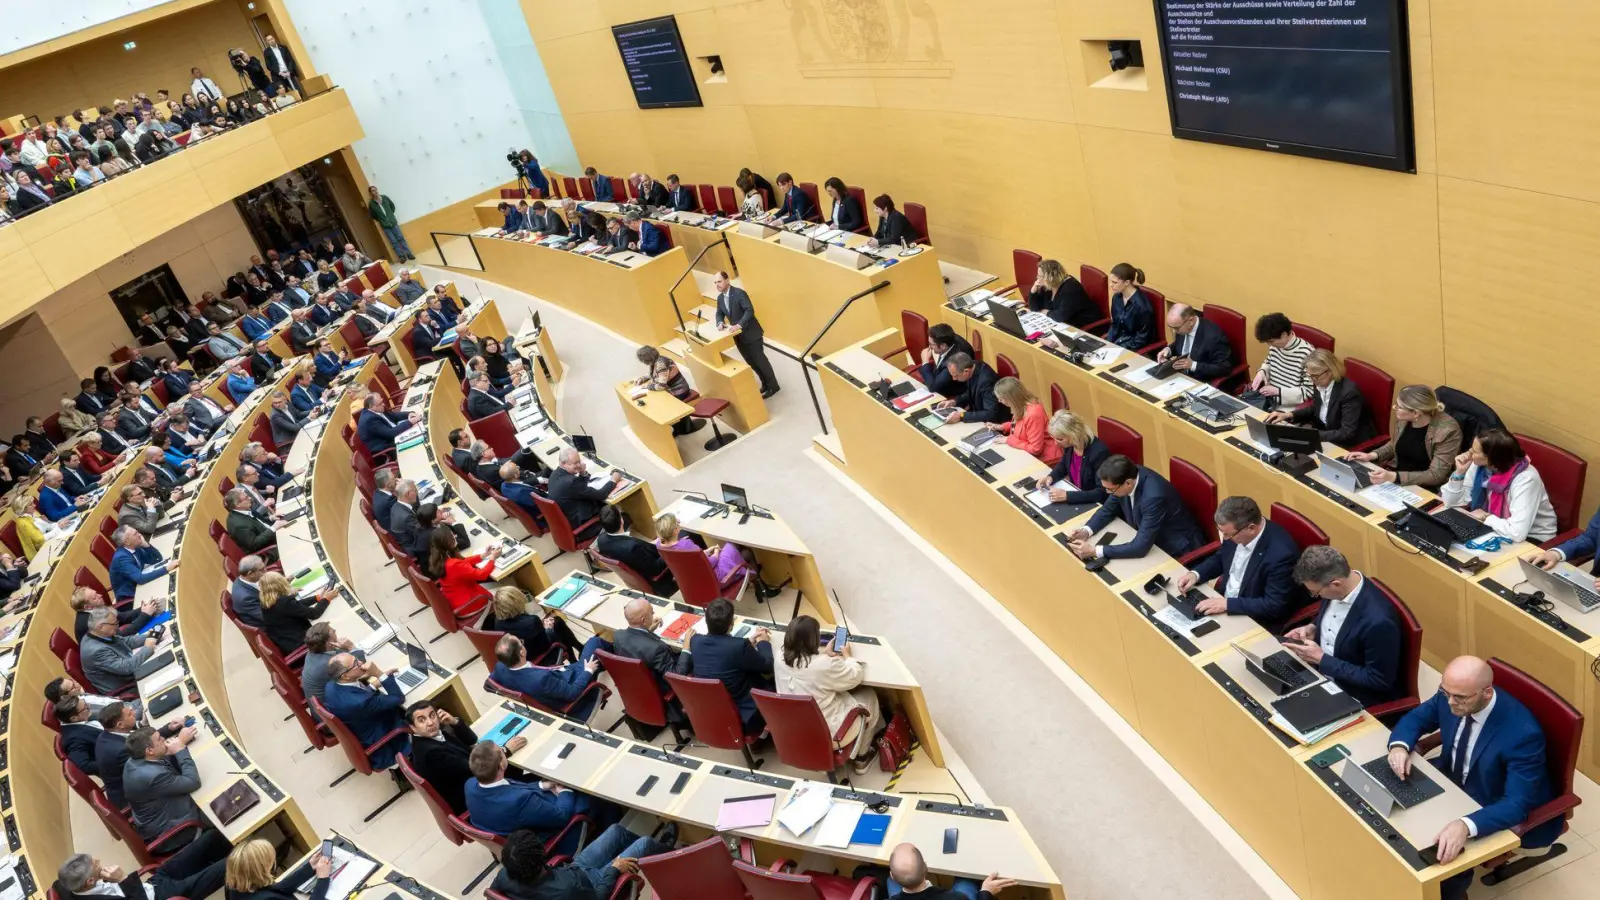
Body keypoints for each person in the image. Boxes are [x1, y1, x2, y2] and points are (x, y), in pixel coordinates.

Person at [1386, 656, 1558, 900]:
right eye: (1446, 693)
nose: (1450, 703)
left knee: (1442, 860)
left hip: (1489, 802)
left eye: (1459, 698)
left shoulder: (1523, 734)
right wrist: (1399, 746)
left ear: (1486, 693)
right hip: (1451, 780)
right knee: (1390, 814)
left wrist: (1465, 825)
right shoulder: (1452, 695)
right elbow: (1417, 719)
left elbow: (1517, 804)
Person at [1281, 545, 1404, 706]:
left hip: (1350, 695)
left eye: (1315, 592)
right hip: (1316, 675)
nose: (1315, 596)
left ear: (1336, 584)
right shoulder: (1338, 587)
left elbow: (1378, 680)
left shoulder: (1379, 622)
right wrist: (1313, 627)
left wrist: (1321, 659)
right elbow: (1337, 619)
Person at [1174, 497, 1311, 632]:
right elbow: (1222, 557)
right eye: (1221, 532)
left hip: (1252, 619)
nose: (1225, 538)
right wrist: (1196, 574)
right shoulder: (1234, 530)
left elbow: (1273, 605)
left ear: (1251, 528)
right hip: (1222, 601)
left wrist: (1228, 605)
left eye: (1228, 535)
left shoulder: (1281, 556)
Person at [773, 615, 883, 772]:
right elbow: (855, 676)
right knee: (870, 695)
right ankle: (862, 758)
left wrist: (825, 655)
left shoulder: (779, 656)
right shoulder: (823, 665)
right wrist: (847, 656)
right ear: (814, 639)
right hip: (829, 735)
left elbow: (809, 668)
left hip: (793, 731)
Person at [1065, 455, 1207, 561]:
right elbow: (1108, 509)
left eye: (1110, 490)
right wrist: (1086, 531)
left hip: (1177, 550)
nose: (1108, 493)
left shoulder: (1154, 497)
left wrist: (1094, 551)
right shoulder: (1125, 477)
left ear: (1128, 483)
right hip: (1149, 538)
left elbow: (1140, 548)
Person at [465, 741, 596, 851]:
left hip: (513, 827)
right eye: (502, 751)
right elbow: (561, 816)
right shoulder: (520, 800)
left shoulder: (470, 785)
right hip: (543, 838)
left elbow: (509, 787)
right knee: (592, 796)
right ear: (501, 765)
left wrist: (542, 785)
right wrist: (564, 791)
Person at [493, 823, 675, 900]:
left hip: (572, 870)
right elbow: (598, 896)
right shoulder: (566, 890)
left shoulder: (503, 876)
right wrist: (614, 869)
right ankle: (676, 855)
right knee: (644, 844)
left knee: (616, 831)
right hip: (595, 883)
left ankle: (657, 850)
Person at [1439, 429, 1559, 543]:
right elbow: (1451, 503)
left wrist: (1486, 517)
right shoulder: (1480, 466)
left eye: (1475, 451)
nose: (1470, 452)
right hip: (1495, 526)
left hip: (1532, 539)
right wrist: (1459, 474)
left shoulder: (1526, 479)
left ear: (1491, 458)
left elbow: (1517, 533)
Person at [406, 700, 517, 815]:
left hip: (471, 781)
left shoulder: (428, 737)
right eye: (421, 720)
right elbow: (477, 769)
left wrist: (454, 722)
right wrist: (505, 750)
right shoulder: (432, 753)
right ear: (413, 728)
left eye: (432, 715)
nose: (430, 722)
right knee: (526, 772)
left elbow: (471, 740)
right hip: (477, 795)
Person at [124, 723, 220, 853]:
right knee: (219, 804)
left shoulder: (133, 761)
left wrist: (167, 752)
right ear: (149, 751)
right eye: (159, 739)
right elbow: (193, 782)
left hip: (161, 816)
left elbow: (161, 766)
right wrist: (180, 749)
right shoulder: (153, 776)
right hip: (172, 832)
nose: (163, 739)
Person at [1345, 385, 1463, 488]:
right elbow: (1394, 444)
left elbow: (1435, 475)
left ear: (1416, 413)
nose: (1394, 408)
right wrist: (1371, 455)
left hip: (1424, 487)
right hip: (1395, 478)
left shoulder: (1448, 431)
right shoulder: (1404, 419)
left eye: (1399, 406)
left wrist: (1393, 477)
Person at [688, 598, 773, 733]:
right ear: (731, 624)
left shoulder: (695, 641)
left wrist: (747, 644)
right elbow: (768, 665)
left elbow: (722, 653)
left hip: (711, 710)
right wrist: (763, 642)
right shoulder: (739, 646)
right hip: (746, 713)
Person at [1263, 349, 1377, 449]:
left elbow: (1346, 433)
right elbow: (1316, 407)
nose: (1312, 380)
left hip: (1350, 445)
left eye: (1315, 376)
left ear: (1330, 371)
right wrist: (1288, 415)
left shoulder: (1349, 393)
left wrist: (1311, 435)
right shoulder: (1320, 381)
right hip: (1328, 435)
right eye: (1309, 375)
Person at [322, 653, 411, 777]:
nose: (361, 663)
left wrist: (375, 684)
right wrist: (379, 674)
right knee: (418, 707)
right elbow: (398, 698)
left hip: (366, 726)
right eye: (355, 664)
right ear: (345, 676)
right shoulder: (359, 703)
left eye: (357, 659)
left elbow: (358, 697)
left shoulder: (331, 686)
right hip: (386, 739)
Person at [493, 634, 607, 720]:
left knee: (593, 653)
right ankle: (619, 658)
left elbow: (489, 684)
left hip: (560, 675)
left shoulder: (500, 668)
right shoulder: (541, 679)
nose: (523, 643)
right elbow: (572, 693)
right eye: (521, 642)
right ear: (522, 652)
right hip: (573, 687)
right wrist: (588, 671)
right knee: (595, 642)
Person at [55, 844, 229, 900]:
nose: (100, 862)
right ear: (90, 882)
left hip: (149, 885)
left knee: (209, 840)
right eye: (96, 865)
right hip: (161, 896)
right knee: (231, 864)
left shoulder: (65, 883)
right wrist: (123, 879)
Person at [710, 270, 779, 397]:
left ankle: (773, 386)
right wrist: (719, 322)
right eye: (715, 283)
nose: (717, 285)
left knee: (760, 361)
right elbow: (719, 313)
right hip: (739, 337)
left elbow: (749, 310)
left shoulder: (739, 293)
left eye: (719, 281)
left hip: (751, 334)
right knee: (751, 362)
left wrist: (739, 325)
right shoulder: (720, 298)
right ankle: (765, 383)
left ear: (727, 280)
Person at [595, 506, 676, 595]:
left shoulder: (601, 540)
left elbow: (641, 555)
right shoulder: (633, 548)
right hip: (662, 579)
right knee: (687, 536)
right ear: (621, 520)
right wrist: (668, 545)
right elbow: (656, 569)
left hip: (642, 567)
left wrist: (658, 542)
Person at [886, 843, 1015, 900]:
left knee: (889, 883)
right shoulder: (956, 898)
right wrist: (986, 893)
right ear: (926, 867)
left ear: (892, 875)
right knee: (964, 881)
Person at [612, 595, 692, 686]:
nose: (654, 613)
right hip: (662, 686)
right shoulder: (656, 649)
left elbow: (637, 643)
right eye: (651, 613)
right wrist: (686, 646)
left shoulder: (618, 635)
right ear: (643, 620)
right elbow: (678, 675)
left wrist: (647, 630)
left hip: (637, 684)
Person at [547, 449, 621, 542]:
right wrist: (613, 480)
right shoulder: (571, 482)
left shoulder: (554, 474)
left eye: (579, 461)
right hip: (585, 526)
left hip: (571, 519)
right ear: (563, 463)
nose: (579, 465)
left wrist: (582, 473)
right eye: (575, 463)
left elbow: (578, 488)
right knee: (621, 514)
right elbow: (601, 495)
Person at [223, 839, 332, 900]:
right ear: (259, 871)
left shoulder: (235, 885)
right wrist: (322, 879)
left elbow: (275, 889)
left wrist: (309, 868)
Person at [984, 377, 1060, 464]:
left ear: (1011, 398)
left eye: (1001, 399)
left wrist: (1008, 440)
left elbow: (1035, 449)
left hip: (1044, 460)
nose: (999, 401)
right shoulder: (1020, 406)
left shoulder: (1033, 414)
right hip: (1024, 454)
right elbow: (1021, 425)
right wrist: (1001, 427)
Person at [431, 526, 502, 618]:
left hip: (457, 600)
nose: (455, 536)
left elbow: (463, 562)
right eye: (453, 535)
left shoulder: (440, 557)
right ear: (447, 542)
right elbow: (482, 575)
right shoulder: (453, 565)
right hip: (470, 604)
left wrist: (484, 555)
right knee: (507, 585)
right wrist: (493, 558)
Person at [1248, 313, 1314, 408]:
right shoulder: (1276, 346)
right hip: (1268, 401)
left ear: (1284, 335)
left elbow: (1309, 391)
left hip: (1289, 408)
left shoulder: (1306, 353)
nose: (1269, 345)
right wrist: (1262, 372)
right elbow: (1268, 362)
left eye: (1271, 341)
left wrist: (1278, 391)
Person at [257, 571, 331, 656]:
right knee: (329, 630)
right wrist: (326, 599)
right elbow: (314, 614)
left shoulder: (267, 601)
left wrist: (317, 598)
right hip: (301, 643)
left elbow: (295, 606)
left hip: (287, 641)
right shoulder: (284, 602)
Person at [1154, 304, 1235, 381]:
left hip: (1201, 380)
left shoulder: (1214, 337)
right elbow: (1183, 345)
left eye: (1176, 328)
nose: (1173, 331)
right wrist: (1168, 350)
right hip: (1180, 376)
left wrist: (1193, 365)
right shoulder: (1183, 326)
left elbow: (1225, 368)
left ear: (1191, 321)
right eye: (1171, 327)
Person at [109, 525, 177, 602]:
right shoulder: (121, 558)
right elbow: (141, 579)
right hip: (130, 597)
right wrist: (167, 568)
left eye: (137, 531)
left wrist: (145, 544)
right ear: (127, 541)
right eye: (135, 534)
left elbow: (156, 559)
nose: (140, 534)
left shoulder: (134, 546)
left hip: (141, 586)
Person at [932, 352, 1002, 424]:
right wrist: (954, 401)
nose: (954, 379)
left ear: (966, 371)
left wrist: (961, 415)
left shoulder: (987, 382)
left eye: (956, 375)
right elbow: (970, 393)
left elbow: (991, 414)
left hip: (993, 424)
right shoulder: (973, 366)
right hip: (977, 414)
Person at [1026, 260, 1098, 328]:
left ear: (1051, 277)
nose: (1037, 278)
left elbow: (1060, 316)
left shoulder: (1071, 289)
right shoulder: (1048, 286)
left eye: (1040, 276)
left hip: (1083, 328)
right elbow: (1035, 308)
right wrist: (1033, 291)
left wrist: (1047, 312)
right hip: (1063, 325)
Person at [1103, 262, 1156, 352]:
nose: (1110, 285)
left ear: (1127, 282)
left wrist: (1117, 349)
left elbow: (1141, 339)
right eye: (1111, 281)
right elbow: (1115, 325)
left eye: (1114, 282)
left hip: (1132, 348)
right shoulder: (1116, 297)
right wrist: (1108, 343)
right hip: (1117, 343)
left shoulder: (1142, 307)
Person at [72, 584, 157, 640]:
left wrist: (142, 609)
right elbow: (120, 636)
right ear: (87, 607)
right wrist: (145, 615)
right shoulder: (93, 622)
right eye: (95, 597)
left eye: (97, 593)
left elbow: (122, 617)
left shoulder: (95, 608)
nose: (100, 595)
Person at [94, 702, 138, 808]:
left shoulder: (106, 735)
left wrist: (168, 729)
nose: (135, 713)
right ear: (120, 725)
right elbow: (151, 765)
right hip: (134, 798)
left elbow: (141, 740)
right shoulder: (121, 750)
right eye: (130, 714)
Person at [225, 488, 280, 563]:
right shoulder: (238, 525)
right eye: (246, 498)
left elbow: (256, 522)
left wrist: (271, 518)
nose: (250, 498)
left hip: (272, 537)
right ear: (237, 504)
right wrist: (274, 528)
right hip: (268, 553)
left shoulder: (243, 510)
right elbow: (254, 544)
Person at [357, 392, 420, 456]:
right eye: (380, 403)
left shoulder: (377, 409)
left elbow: (393, 416)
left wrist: (409, 414)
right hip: (387, 449)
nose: (383, 404)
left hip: (394, 437)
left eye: (382, 401)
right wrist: (410, 422)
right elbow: (391, 433)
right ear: (371, 406)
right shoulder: (369, 420)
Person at [56, 694, 103, 775]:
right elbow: (84, 765)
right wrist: (112, 764)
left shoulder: (81, 719)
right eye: (85, 707)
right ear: (74, 718)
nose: (89, 706)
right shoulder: (75, 739)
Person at [366, 184, 413, 261]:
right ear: (371, 193)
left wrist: (390, 216)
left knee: (401, 238)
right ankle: (401, 256)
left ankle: (408, 253)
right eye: (373, 191)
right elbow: (373, 215)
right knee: (393, 242)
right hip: (385, 226)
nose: (375, 192)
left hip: (393, 223)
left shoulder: (385, 198)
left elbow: (392, 206)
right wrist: (382, 220)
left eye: (376, 190)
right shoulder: (371, 203)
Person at [11, 494, 47, 560]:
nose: (34, 505)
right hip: (41, 552)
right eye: (31, 504)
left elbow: (47, 527)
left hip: (49, 542)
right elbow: (40, 540)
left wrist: (51, 523)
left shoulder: (32, 513)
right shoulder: (22, 522)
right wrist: (57, 528)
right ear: (22, 508)